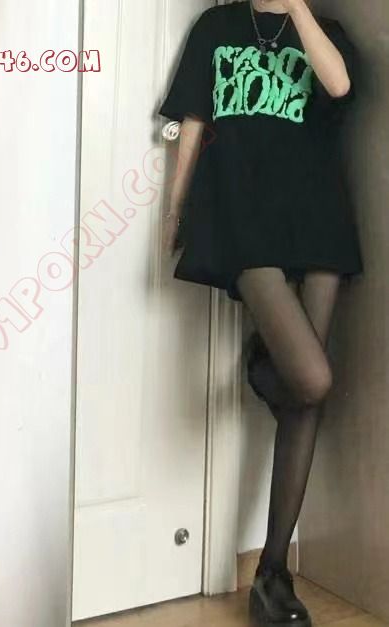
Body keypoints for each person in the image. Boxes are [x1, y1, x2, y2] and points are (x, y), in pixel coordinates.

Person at [157, 0, 364, 625]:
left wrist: (298, 8)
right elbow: (194, 119)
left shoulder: (326, 32)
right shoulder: (217, 26)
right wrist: (175, 209)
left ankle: (272, 575)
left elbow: (338, 85)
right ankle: (262, 365)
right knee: (310, 379)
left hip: (318, 214)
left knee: (306, 403)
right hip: (243, 217)